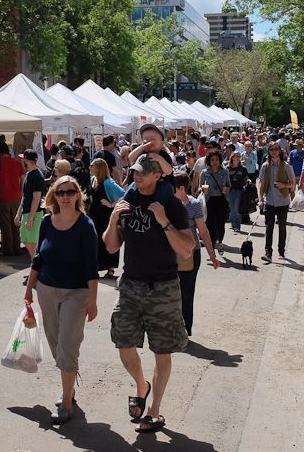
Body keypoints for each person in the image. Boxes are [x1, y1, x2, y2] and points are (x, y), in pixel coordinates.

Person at [102, 156, 195, 435]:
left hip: (164, 286)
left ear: (157, 176)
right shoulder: (127, 203)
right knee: (123, 342)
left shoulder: (172, 206)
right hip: (130, 284)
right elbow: (110, 248)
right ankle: (141, 384)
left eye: (142, 173)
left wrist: (164, 221)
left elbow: (187, 249)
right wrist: (113, 218)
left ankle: (154, 411)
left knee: (161, 350)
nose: (136, 177)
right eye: (134, 173)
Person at [23, 176, 98, 424]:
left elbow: (91, 267)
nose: (65, 197)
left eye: (70, 192)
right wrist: (29, 288)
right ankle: (69, 387)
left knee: (67, 344)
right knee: (56, 343)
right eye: (60, 192)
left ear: (78, 195)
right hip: (46, 289)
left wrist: (93, 301)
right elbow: (38, 259)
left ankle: (66, 403)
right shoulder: (46, 222)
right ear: (53, 195)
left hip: (76, 293)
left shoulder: (86, 226)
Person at [173, 173, 218, 337]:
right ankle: (173, 328)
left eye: (173, 187)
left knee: (186, 292)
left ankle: (185, 328)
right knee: (171, 292)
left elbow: (203, 231)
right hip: (171, 254)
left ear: (181, 188)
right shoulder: (168, 204)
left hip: (191, 254)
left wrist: (212, 255)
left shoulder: (193, 204)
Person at [89, 158, 125, 279]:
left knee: (108, 239)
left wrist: (111, 204)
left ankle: (110, 267)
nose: (90, 168)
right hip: (94, 216)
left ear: (98, 168)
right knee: (96, 241)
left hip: (106, 216)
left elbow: (123, 194)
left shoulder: (108, 182)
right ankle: (98, 266)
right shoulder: (93, 180)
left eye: (92, 166)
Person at [259, 144, 295, 262]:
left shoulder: (286, 166)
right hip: (269, 201)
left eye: (276, 149)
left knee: (282, 227)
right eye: (271, 150)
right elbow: (262, 184)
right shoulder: (265, 166)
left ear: (280, 151)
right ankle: (268, 253)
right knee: (269, 228)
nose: (274, 152)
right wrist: (260, 200)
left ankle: (281, 251)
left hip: (283, 201)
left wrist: (283, 185)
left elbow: (293, 183)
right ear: (268, 152)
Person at [0, 143, 25, 257]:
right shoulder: (16, 162)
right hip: (16, 197)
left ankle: (8, 248)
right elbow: (23, 178)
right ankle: (17, 247)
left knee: (5, 224)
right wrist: (21, 192)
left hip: (3, 196)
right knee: (15, 223)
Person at [17, 150, 45, 267]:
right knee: (26, 240)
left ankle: (35, 267)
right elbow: (25, 196)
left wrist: (31, 218)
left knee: (32, 242)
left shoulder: (37, 175)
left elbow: (36, 198)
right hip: (27, 213)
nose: (21, 160)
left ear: (27, 160)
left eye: (23, 158)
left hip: (34, 214)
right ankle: (35, 265)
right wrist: (19, 213)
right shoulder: (29, 174)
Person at [200, 151, 229, 252]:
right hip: (209, 200)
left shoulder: (225, 172)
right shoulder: (204, 173)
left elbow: (229, 185)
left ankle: (220, 241)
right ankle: (211, 247)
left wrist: (227, 189)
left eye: (217, 160)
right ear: (209, 161)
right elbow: (200, 188)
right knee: (210, 224)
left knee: (220, 223)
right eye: (212, 160)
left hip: (221, 200)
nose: (215, 162)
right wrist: (204, 189)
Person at [226, 152, 248, 233]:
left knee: (237, 208)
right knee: (231, 208)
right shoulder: (227, 169)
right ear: (232, 157)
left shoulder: (243, 168)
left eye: (239, 156)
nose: (237, 158)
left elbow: (246, 178)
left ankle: (237, 226)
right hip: (230, 190)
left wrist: (248, 182)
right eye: (236, 156)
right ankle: (233, 224)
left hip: (239, 190)